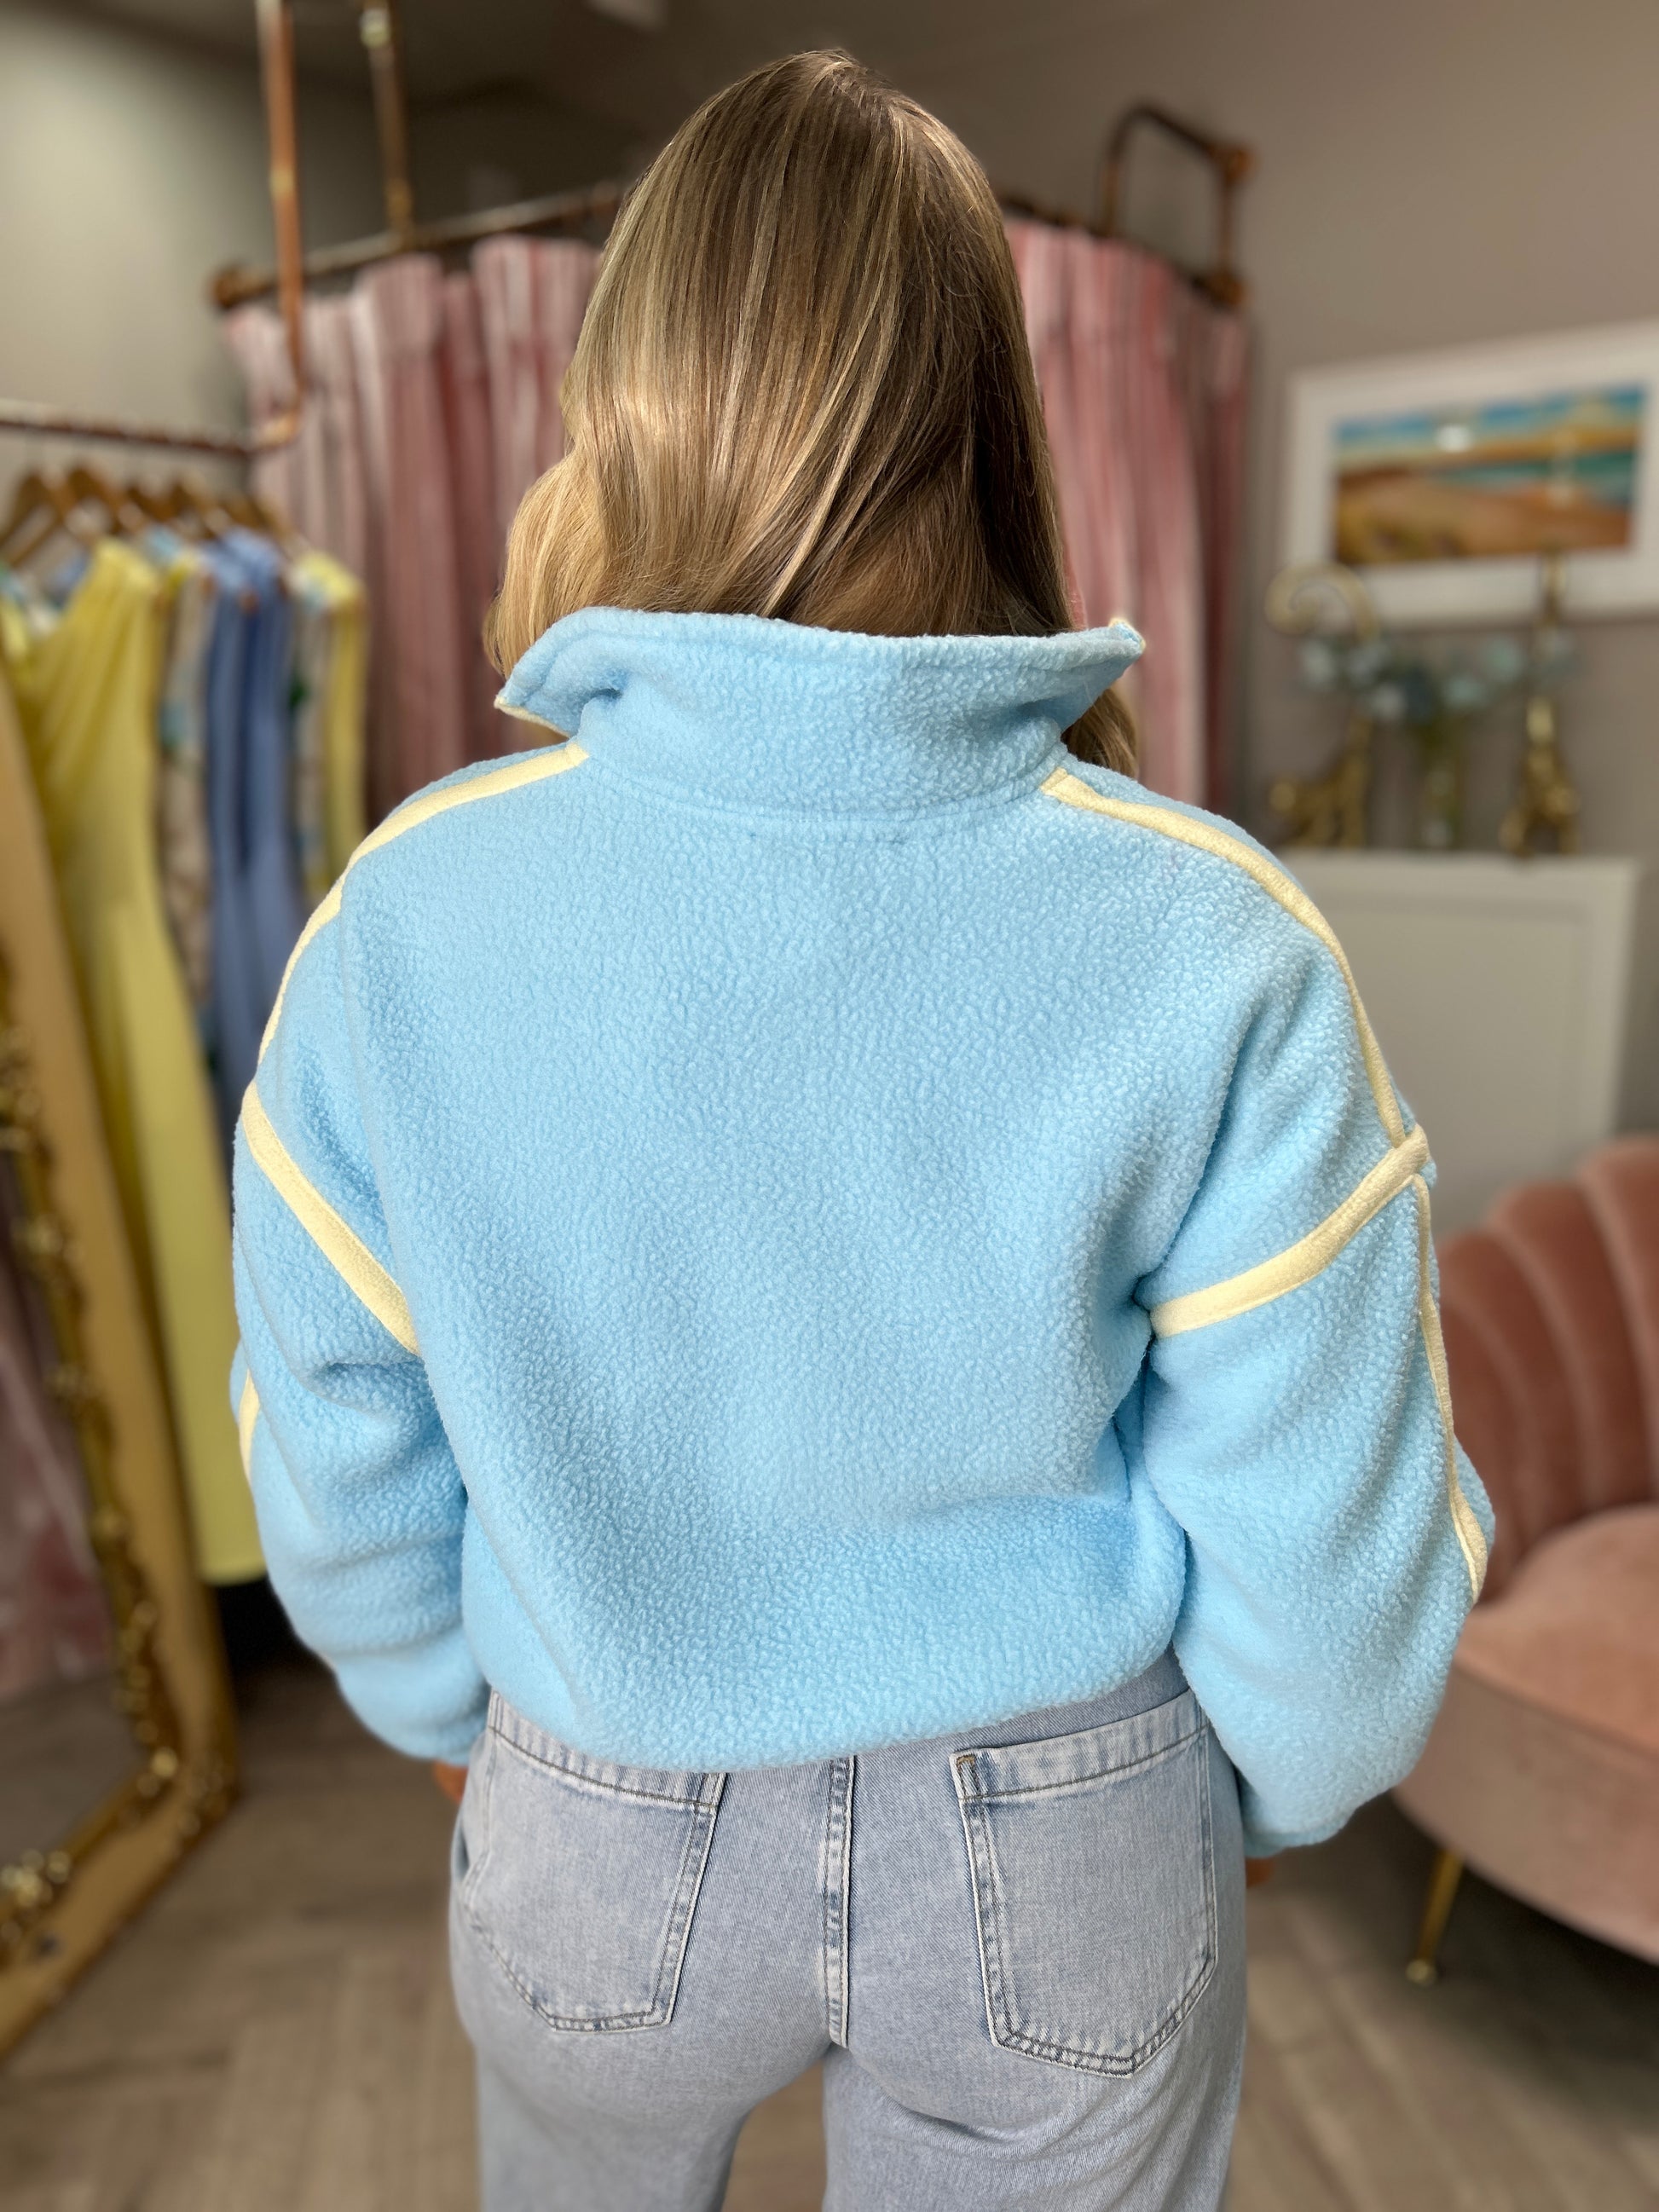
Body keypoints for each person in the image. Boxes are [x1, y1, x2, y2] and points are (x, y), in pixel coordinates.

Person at [229, 49, 1492, 2212]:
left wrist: (467, 1710)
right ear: (998, 421)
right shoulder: (1214, 936)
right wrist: (1250, 1789)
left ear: (624, 402)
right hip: (1067, 1823)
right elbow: (1332, 1548)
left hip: (595, 1790)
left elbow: (333, 1440)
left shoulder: (404, 919)